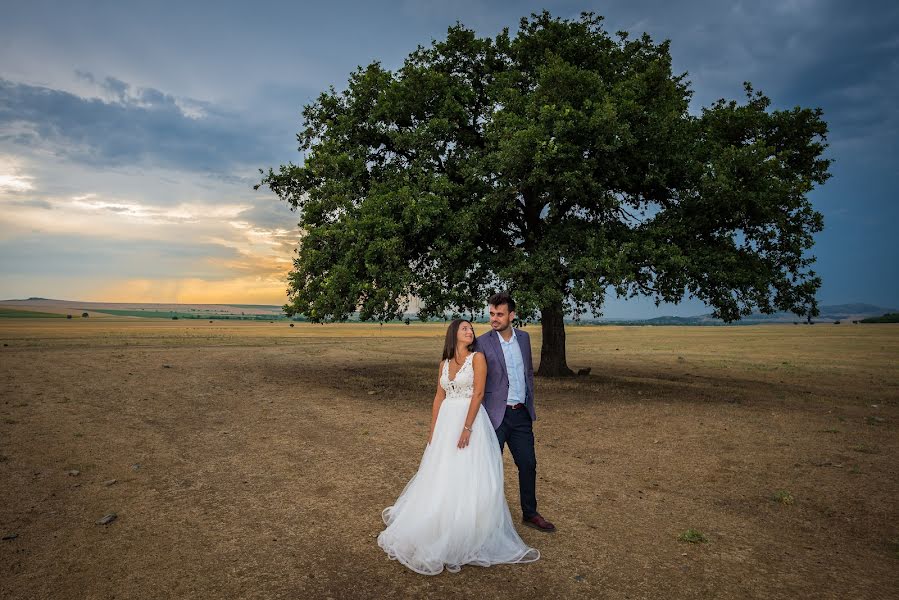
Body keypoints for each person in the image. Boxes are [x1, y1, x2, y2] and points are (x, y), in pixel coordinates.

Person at [377, 319, 539, 575]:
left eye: (471, 329)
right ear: (453, 334)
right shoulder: (443, 364)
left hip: (470, 421)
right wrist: (433, 430)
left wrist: (467, 428)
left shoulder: (477, 358)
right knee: (443, 473)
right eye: (464, 328)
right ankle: (440, 521)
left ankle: (471, 528)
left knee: (469, 474)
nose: (470, 331)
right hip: (446, 424)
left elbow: (478, 394)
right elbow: (439, 396)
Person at [475, 292, 556, 532]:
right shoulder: (482, 342)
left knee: (528, 464)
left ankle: (530, 514)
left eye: (500, 314)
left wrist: (528, 401)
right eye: (491, 314)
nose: (494, 318)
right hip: (494, 416)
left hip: (520, 414)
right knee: (491, 468)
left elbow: (528, 372)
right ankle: (488, 518)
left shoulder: (524, 339)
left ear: (512, 315)